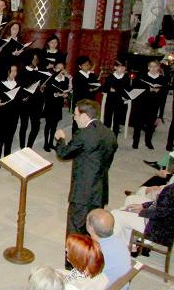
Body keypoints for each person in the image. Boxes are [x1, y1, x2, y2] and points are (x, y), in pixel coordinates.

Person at [113, 153, 174, 254]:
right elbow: (163, 205)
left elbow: (160, 213)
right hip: (167, 220)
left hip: (158, 227)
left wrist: (141, 211)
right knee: (131, 199)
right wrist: (143, 205)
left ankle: (118, 248)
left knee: (116, 214)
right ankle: (131, 244)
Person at [55, 99, 118, 243]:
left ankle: (72, 264)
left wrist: (60, 139)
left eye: (76, 115)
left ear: (84, 116)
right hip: (99, 190)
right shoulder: (109, 133)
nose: (74, 118)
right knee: (93, 232)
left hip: (82, 193)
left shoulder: (83, 134)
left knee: (75, 231)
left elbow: (64, 153)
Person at [85, 209, 131, 285]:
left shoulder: (95, 252)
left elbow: (84, 277)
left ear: (91, 228)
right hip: (119, 288)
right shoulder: (120, 242)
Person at [132, 59, 167, 150]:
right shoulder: (141, 77)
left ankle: (148, 142)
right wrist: (149, 90)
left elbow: (164, 95)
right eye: (151, 67)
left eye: (155, 66)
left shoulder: (162, 79)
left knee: (150, 124)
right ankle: (135, 142)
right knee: (138, 124)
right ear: (148, 68)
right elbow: (136, 90)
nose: (153, 69)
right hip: (141, 103)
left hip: (154, 104)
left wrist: (159, 91)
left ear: (158, 67)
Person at [0, 64, 20, 168]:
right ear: (7, 72)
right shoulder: (0, 84)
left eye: (15, 71)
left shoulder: (18, 84)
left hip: (14, 114)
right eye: (12, 71)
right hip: (2, 115)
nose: (14, 73)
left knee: (10, 138)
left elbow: (19, 99)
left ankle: (7, 157)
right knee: (0, 138)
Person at [43, 60, 71, 151]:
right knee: (48, 124)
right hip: (50, 104)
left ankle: (51, 142)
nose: (60, 70)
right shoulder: (50, 79)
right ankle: (46, 143)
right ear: (54, 69)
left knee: (54, 125)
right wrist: (55, 95)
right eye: (58, 68)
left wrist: (65, 95)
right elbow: (46, 93)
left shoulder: (65, 79)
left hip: (58, 105)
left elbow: (66, 91)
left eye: (62, 68)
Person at [102, 60, 130, 136]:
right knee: (107, 119)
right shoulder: (110, 77)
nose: (121, 69)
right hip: (110, 100)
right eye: (119, 67)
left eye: (123, 67)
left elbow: (127, 90)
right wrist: (110, 89)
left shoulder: (126, 78)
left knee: (117, 121)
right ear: (115, 67)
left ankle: (115, 137)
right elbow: (104, 88)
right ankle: (106, 137)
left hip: (120, 102)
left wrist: (116, 90)